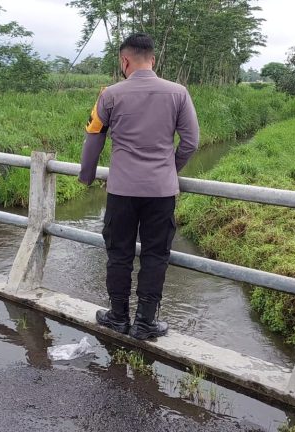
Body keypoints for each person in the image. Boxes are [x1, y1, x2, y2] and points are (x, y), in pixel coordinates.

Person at [78, 33, 200, 340]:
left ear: (124, 60)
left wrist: (87, 176)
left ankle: (118, 316)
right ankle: (145, 322)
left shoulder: (110, 95)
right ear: (153, 60)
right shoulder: (178, 93)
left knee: (118, 253)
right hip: (160, 192)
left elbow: (94, 139)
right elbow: (191, 142)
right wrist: (170, 171)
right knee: (155, 255)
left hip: (121, 191)